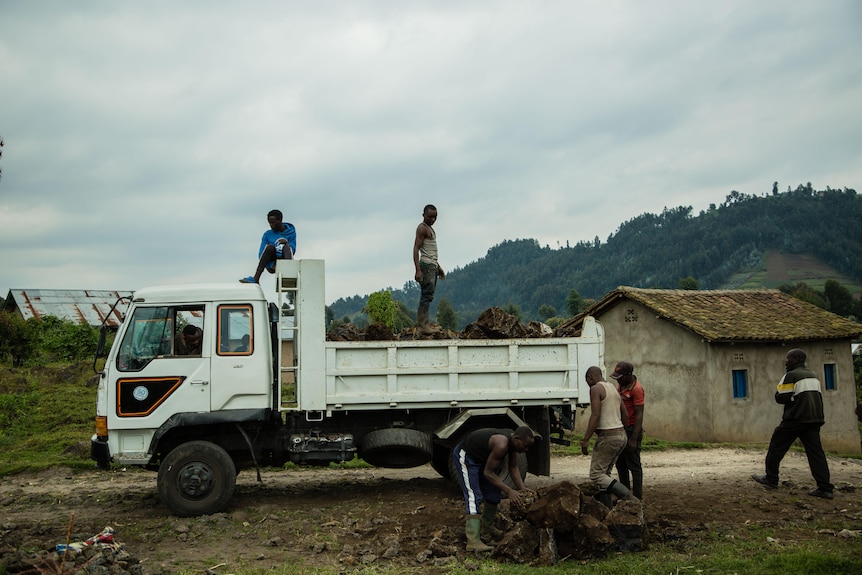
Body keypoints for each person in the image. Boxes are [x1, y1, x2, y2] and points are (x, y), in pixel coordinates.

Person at [752, 348, 834, 499]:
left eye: (788, 358)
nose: (786, 361)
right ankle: (825, 488)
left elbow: (781, 397)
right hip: (814, 419)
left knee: (776, 446)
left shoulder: (791, 375)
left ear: (796, 359)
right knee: (816, 453)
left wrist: (782, 395)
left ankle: (771, 478)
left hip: (795, 419)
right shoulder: (813, 375)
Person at [452, 426, 535, 552]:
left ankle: (486, 525)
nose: (526, 449)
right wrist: (509, 490)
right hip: (466, 456)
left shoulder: (513, 444)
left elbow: (513, 468)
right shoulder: (501, 445)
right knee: (474, 495)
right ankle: (473, 540)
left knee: (494, 492)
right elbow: (488, 473)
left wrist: (523, 489)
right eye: (525, 445)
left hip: (482, 459)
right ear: (517, 438)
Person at [580, 365, 637, 506]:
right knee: (605, 475)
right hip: (621, 435)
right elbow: (625, 414)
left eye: (587, 380)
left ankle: (629, 498)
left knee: (596, 475)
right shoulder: (612, 387)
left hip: (608, 436)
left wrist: (586, 439)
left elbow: (595, 415)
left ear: (590, 377)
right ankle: (607, 509)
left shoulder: (595, 389)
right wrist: (622, 430)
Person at [612, 361, 645, 499]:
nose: (617, 379)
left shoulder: (636, 389)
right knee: (621, 465)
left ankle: (637, 498)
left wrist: (634, 439)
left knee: (634, 466)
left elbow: (639, 415)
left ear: (628, 375)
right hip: (622, 429)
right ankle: (625, 497)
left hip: (631, 430)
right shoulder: (621, 385)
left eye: (620, 376)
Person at [240, 209, 296, 284]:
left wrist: (287, 243)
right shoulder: (267, 234)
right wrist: (272, 265)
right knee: (270, 247)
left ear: (280, 220)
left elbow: (293, 249)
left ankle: (289, 273)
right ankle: (256, 278)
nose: (271, 225)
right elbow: (261, 254)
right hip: (271, 262)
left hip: (285, 260)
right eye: (269, 223)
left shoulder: (291, 232)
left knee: (287, 246)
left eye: (273, 222)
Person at [412, 204, 445, 334]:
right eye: (430, 216)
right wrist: (418, 270)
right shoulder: (422, 228)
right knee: (426, 295)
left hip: (432, 265)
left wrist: (438, 267)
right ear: (423, 215)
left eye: (435, 217)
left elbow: (431, 252)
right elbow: (416, 249)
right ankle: (422, 325)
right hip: (426, 267)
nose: (433, 219)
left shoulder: (430, 228)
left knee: (429, 295)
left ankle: (425, 323)